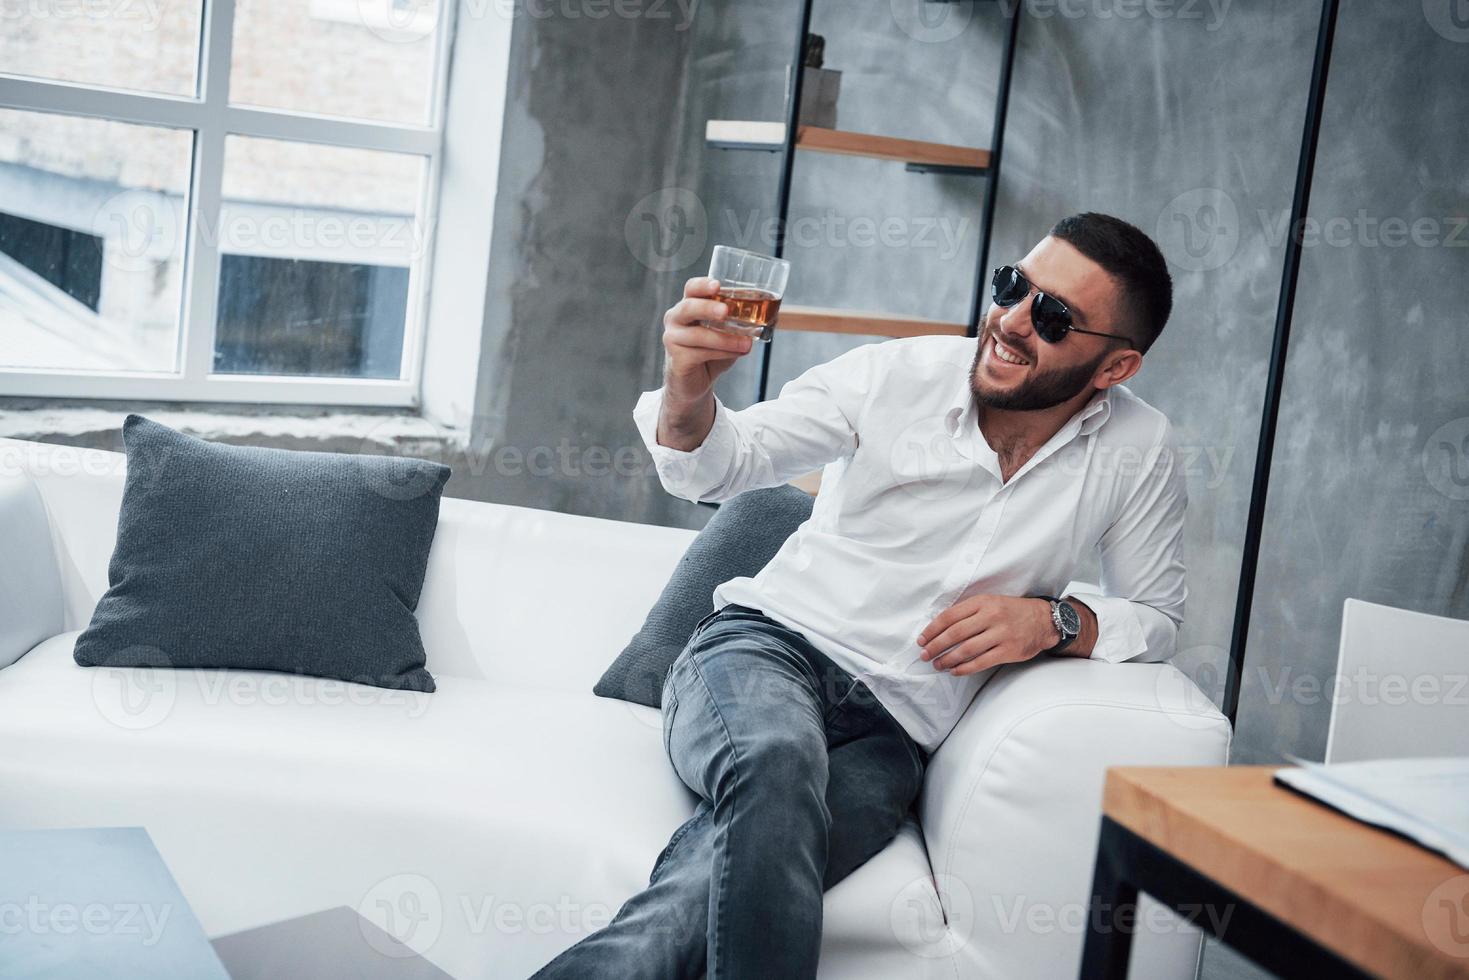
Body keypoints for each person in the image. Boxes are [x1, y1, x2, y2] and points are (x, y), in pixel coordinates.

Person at [531, 212, 1185, 979]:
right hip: (764, 655)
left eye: (1051, 317)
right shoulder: (895, 375)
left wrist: (1054, 621)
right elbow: (721, 466)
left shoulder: (1138, 452)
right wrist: (685, 389)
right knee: (775, 758)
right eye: (1013, 286)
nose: (1008, 322)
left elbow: (1157, 618)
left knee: (702, 889)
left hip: (894, 734)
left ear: (1114, 370)